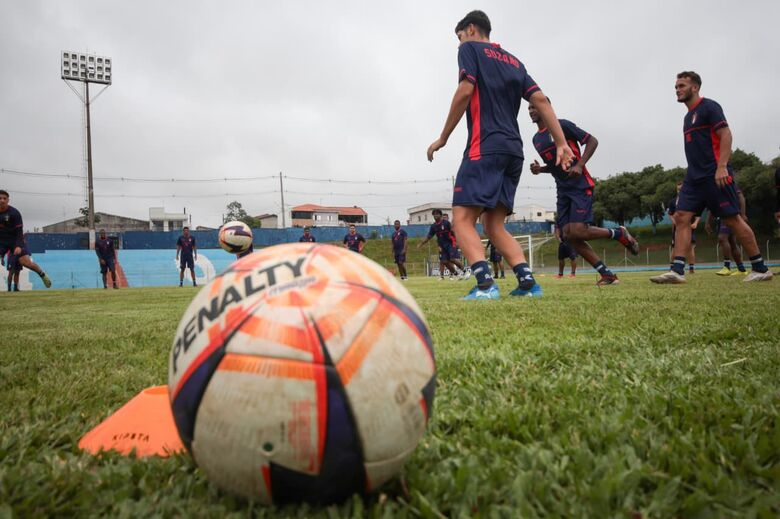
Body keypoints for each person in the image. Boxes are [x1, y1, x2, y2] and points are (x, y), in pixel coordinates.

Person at [427, 10, 574, 300]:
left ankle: (485, 285)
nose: (458, 45)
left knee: (462, 219)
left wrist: (443, 137)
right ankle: (528, 283)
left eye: (458, 38)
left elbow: (465, 90)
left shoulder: (470, 50)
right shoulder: (514, 61)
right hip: (514, 152)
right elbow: (541, 99)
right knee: (493, 224)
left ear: (470, 29)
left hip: (485, 146)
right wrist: (561, 143)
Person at [651, 72, 771, 283]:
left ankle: (760, 268)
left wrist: (722, 166)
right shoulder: (687, 118)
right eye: (676, 86)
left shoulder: (710, 107)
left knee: (732, 219)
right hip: (694, 178)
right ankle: (677, 271)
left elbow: (726, 134)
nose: (677, 89)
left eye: (681, 85)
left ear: (695, 87)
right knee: (681, 217)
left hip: (715, 174)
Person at [529, 102, 638, 285]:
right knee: (568, 236)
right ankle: (607, 275)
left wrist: (580, 165)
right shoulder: (536, 139)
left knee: (578, 230)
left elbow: (592, 140)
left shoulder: (562, 125)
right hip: (562, 190)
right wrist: (541, 169)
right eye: (529, 108)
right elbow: (557, 164)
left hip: (579, 185)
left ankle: (617, 233)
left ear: (546, 107)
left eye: (535, 107)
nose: (532, 111)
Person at [0, 190, 51, 288]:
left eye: (4, 198)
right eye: (0, 198)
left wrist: (18, 245)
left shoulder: (14, 213)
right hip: (2, 241)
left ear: (8, 200)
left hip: (15, 241)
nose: (2, 200)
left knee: (25, 262)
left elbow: (19, 231)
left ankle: (42, 274)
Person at [707, 185, 747, 276]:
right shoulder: (712, 187)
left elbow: (741, 197)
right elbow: (713, 205)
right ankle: (741, 269)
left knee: (722, 238)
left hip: (731, 214)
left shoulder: (726, 182)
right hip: (723, 216)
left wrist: (743, 214)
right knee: (732, 241)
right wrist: (708, 222)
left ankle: (727, 267)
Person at [418, 209, 467, 280]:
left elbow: (454, 232)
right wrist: (421, 243)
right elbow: (429, 236)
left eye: (437, 214)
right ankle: (457, 274)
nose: (435, 216)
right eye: (434, 214)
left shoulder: (446, 223)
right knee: (444, 261)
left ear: (440, 215)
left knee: (452, 259)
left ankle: (465, 271)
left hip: (450, 243)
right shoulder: (433, 226)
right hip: (442, 245)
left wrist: (457, 242)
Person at [667, 180, 700, 274]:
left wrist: (696, 223)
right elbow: (670, 214)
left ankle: (691, 268)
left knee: (690, 247)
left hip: (689, 227)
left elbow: (698, 214)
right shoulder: (673, 201)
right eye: (678, 190)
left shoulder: (691, 200)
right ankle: (672, 267)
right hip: (677, 228)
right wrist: (675, 222)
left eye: (681, 189)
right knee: (675, 247)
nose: (679, 191)